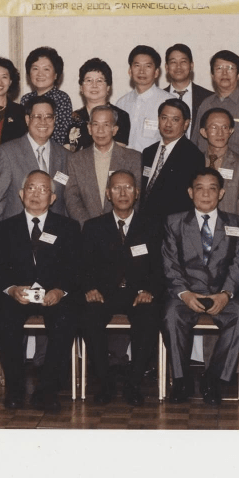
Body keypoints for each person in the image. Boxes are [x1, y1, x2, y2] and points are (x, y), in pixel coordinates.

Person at [0, 170, 82, 411]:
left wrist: (60, 291)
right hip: (18, 296)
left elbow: (75, 268)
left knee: (66, 320)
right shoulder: (4, 228)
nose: (36, 194)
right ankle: (15, 389)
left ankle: (47, 390)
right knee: (2, 321)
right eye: (31, 188)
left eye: (43, 190)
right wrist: (12, 290)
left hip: (54, 295)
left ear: (53, 198)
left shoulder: (68, 227)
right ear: (21, 194)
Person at [161, 168, 239, 405]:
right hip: (186, 294)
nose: (205, 194)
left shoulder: (236, 223)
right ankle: (181, 380)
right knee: (171, 316)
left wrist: (226, 294)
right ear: (190, 192)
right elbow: (170, 263)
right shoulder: (174, 222)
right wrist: (184, 293)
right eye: (199, 188)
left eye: (212, 189)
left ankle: (214, 379)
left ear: (221, 193)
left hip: (222, 294)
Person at [81, 169, 163, 406]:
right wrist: (90, 288)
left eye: (128, 187)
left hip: (139, 294)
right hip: (104, 294)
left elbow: (160, 267)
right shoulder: (93, 226)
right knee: (89, 316)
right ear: (108, 194)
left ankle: (133, 383)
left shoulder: (152, 226)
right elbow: (83, 266)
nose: (123, 193)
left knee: (149, 316)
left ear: (137, 193)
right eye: (117, 188)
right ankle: (104, 382)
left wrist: (150, 291)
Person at [0, 96, 69, 220]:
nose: (43, 122)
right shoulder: (6, 153)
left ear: (54, 120)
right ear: (27, 119)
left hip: (55, 230)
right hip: (16, 230)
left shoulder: (66, 156)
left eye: (48, 117)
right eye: (37, 116)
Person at [64, 105, 142, 225]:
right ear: (89, 128)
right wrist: (88, 226)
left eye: (106, 125)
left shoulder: (134, 158)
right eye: (95, 124)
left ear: (114, 129)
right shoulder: (75, 160)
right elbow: (72, 198)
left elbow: (136, 197)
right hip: (86, 228)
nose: (100, 131)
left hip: (121, 227)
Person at [139, 98, 205, 221]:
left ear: (186, 124)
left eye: (175, 120)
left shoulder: (193, 156)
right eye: (164, 118)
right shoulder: (148, 152)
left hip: (172, 226)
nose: (168, 124)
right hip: (143, 223)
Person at [192, 50, 239, 158]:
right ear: (212, 75)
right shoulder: (206, 104)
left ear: (238, 75)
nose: (224, 73)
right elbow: (196, 141)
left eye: (230, 68)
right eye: (219, 68)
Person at [198, 108, 239, 224]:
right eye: (214, 127)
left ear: (231, 131)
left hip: (228, 229)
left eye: (225, 127)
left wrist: (238, 233)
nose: (220, 133)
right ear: (203, 132)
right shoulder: (195, 161)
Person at [67, 58, 131, 151]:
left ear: (108, 87)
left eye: (99, 81)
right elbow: (66, 152)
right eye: (89, 80)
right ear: (81, 87)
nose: (94, 85)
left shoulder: (120, 116)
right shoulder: (72, 117)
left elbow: (117, 154)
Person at [115, 45, 171, 152]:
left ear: (156, 72)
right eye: (137, 66)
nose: (142, 71)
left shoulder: (168, 102)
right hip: (123, 161)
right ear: (130, 71)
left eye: (148, 66)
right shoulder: (122, 103)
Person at [21, 46, 73, 147]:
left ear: (56, 75)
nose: (40, 74)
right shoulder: (25, 99)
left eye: (46, 69)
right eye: (35, 68)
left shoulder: (62, 98)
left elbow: (61, 136)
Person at [163, 43, 211, 141]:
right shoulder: (159, 97)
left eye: (183, 62)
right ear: (166, 67)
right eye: (173, 62)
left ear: (191, 65)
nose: (178, 67)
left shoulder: (208, 97)